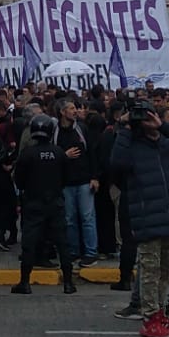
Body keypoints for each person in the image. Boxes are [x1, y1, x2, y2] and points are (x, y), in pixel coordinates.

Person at [109, 100, 169, 337]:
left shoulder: (167, 143)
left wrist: (162, 125)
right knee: (149, 270)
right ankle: (150, 317)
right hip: (147, 215)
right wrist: (124, 128)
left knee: (164, 270)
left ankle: (161, 311)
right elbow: (117, 164)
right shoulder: (131, 145)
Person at [11, 113, 77, 295]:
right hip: (55, 202)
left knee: (29, 243)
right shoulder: (58, 153)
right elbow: (66, 178)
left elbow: (19, 180)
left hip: (33, 203)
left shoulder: (27, 153)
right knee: (62, 243)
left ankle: (25, 282)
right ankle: (68, 283)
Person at [53, 99, 99, 267]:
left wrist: (94, 177)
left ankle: (90, 252)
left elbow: (92, 153)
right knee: (69, 218)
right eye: (71, 108)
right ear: (62, 112)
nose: (75, 111)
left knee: (87, 217)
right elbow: (53, 154)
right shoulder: (56, 131)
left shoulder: (82, 129)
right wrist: (64, 156)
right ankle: (73, 251)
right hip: (66, 182)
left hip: (84, 180)